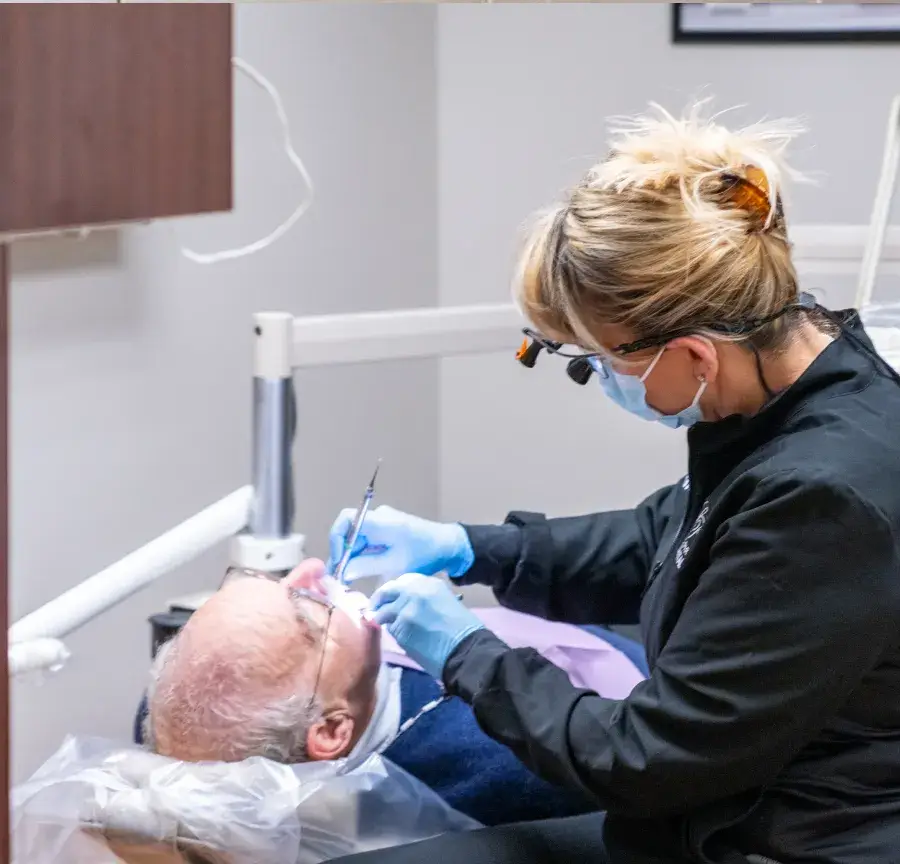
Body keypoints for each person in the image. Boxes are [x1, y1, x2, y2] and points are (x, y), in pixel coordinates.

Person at [323, 103, 900, 864]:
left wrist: (467, 652)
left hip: (781, 841)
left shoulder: (827, 495)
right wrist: (475, 551)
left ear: (694, 356)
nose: (595, 377)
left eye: (594, 361)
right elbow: (669, 537)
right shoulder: (794, 388)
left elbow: (645, 761)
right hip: (721, 808)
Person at [135, 558, 644, 826]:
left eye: (279, 583)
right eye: (309, 613)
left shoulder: (173, 718)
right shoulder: (497, 764)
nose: (313, 570)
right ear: (333, 731)